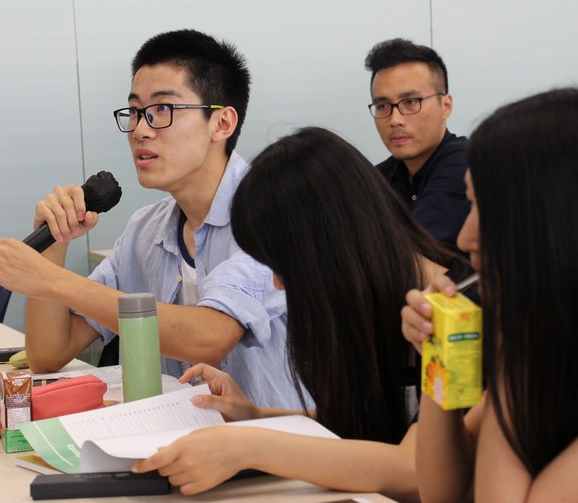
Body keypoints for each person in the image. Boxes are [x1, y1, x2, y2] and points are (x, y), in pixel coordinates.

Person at [0, 29, 306, 410]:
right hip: (179, 439)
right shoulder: (146, 229)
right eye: (134, 112)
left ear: (222, 123)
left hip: (281, 453)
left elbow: (209, 337)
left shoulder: (270, 212)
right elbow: (48, 355)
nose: (141, 130)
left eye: (163, 110)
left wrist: (50, 280)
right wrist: (55, 243)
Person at [133, 127, 466, 501]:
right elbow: (364, 428)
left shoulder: (459, 313)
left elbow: (416, 468)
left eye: (282, 264)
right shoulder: (377, 310)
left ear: (333, 242)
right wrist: (255, 416)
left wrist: (247, 445)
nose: (278, 284)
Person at [401, 87, 578, 502]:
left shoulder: (524, 361)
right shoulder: (545, 353)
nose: (465, 236)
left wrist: (509, 356)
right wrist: (440, 354)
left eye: (486, 209)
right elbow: (440, 492)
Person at [365, 38, 469, 250]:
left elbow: (408, 249)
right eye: (383, 106)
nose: (395, 120)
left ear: (446, 105)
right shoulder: (378, 179)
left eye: (411, 102)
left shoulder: (465, 163)